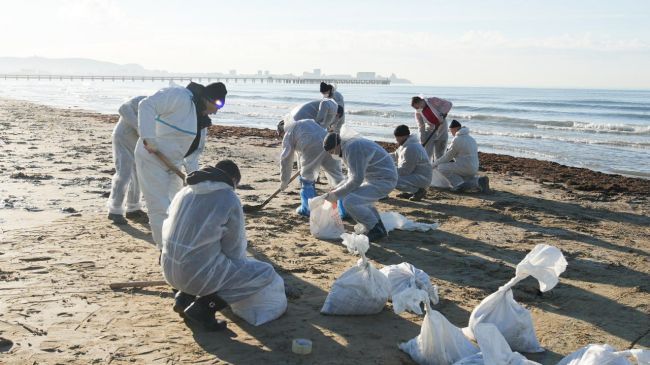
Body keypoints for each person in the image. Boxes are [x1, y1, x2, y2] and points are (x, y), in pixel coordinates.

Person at [162, 160, 286, 331]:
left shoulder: (184, 192)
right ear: (233, 180)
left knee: (198, 255)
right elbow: (234, 250)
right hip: (196, 276)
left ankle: (183, 297)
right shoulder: (228, 197)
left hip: (168, 271)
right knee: (265, 272)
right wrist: (240, 271)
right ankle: (204, 307)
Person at [135, 81, 227, 249]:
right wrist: (149, 138)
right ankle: (164, 250)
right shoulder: (178, 96)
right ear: (209, 99)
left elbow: (193, 155)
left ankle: (175, 241)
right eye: (217, 106)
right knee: (159, 205)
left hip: (173, 164)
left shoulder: (201, 122)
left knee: (178, 205)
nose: (216, 112)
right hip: (151, 158)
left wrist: (194, 178)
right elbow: (146, 105)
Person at [322, 132, 398, 241]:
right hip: (376, 179)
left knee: (350, 201)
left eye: (332, 151)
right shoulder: (348, 146)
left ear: (337, 145)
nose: (332, 154)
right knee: (361, 200)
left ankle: (375, 230)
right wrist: (337, 188)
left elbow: (357, 179)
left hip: (384, 180)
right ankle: (378, 226)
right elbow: (351, 176)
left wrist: (336, 195)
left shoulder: (352, 148)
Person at [277, 119, 345, 217]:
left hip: (312, 146)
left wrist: (284, 181)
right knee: (338, 179)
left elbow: (285, 158)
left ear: (282, 131)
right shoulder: (304, 123)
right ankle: (346, 209)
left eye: (280, 136)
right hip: (328, 143)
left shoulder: (288, 133)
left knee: (307, 180)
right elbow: (299, 156)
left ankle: (308, 209)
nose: (281, 138)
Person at [106, 96, 147, 225]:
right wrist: (140, 128)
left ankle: (133, 208)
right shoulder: (144, 100)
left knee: (139, 175)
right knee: (124, 174)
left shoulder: (168, 112)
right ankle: (115, 210)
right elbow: (123, 108)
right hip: (122, 138)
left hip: (137, 142)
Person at [431, 120, 489, 192]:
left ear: (455, 129)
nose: (451, 133)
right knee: (463, 176)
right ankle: (478, 181)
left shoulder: (457, 139)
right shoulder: (471, 139)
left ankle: (458, 185)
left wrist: (434, 164)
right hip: (474, 167)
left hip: (465, 167)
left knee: (441, 167)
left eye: (451, 130)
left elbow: (447, 157)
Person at [391, 125, 433, 201]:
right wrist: (382, 157)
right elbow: (395, 155)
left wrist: (388, 170)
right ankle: (409, 191)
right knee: (393, 175)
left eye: (397, 137)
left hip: (422, 178)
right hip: (415, 175)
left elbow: (405, 171)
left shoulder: (411, 148)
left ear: (404, 136)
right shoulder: (405, 145)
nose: (396, 139)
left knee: (391, 179)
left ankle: (418, 191)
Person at [411, 96, 453, 162]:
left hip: (442, 127)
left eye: (417, 107)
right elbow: (421, 126)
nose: (417, 109)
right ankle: (427, 169)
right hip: (430, 130)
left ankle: (437, 170)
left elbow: (449, 104)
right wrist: (422, 140)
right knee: (427, 153)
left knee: (440, 153)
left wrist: (442, 114)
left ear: (420, 102)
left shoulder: (432, 101)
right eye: (415, 108)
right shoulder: (418, 112)